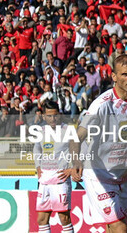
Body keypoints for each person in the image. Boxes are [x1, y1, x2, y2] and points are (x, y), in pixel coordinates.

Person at [71, 54, 127, 233]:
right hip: (98, 175)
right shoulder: (101, 106)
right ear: (114, 76)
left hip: (124, 176)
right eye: (125, 74)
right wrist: (76, 161)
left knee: (116, 228)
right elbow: (75, 137)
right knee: (119, 227)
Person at [34, 100, 74, 233]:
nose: (53, 119)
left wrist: (72, 168)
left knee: (64, 218)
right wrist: (38, 166)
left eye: (55, 115)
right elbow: (37, 149)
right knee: (41, 219)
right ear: (44, 116)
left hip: (60, 180)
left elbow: (81, 150)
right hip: (44, 180)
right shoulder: (41, 131)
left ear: (60, 115)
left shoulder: (68, 130)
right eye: (49, 116)